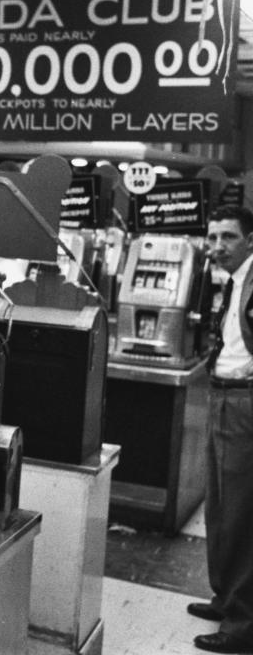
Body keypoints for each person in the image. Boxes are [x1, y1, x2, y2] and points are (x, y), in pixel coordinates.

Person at [191, 205, 253, 654]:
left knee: (239, 515)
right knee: (218, 506)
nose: (217, 247)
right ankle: (223, 596)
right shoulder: (230, 282)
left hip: (244, 402)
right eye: (212, 237)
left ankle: (242, 622)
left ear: (249, 240)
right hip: (221, 393)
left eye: (228, 237)